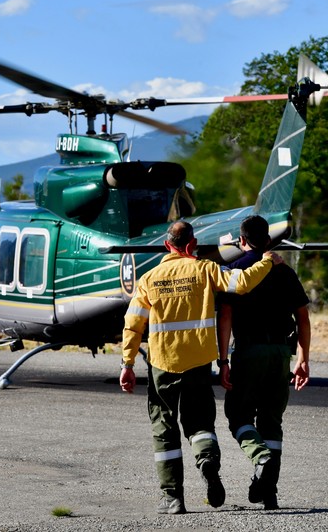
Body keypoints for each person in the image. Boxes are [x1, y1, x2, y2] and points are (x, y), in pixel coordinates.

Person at [120, 220, 281, 514]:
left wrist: (127, 363)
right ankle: (207, 462)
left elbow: (132, 325)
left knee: (164, 428)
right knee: (200, 424)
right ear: (192, 245)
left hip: (162, 363)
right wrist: (267, 261)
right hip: (198, 363)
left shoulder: (149, 279)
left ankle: (173, 498)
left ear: (168, 246)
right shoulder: (206, 270)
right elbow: (242, 283)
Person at [217, 215, 310, 510]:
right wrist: (304, 359)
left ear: (241, 241)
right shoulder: (286, 271)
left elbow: (226, 317)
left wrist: (222, 360)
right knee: (272, 422)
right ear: (268, 240)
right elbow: (304, 318)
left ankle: (261, 458)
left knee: (238, 415)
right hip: (282, 354)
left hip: (250, 352)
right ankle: (268, 492)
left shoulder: (236, 270)